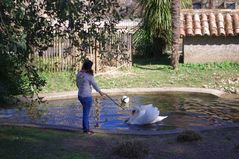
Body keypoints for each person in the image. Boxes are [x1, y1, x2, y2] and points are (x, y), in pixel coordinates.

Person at [76, 59, 104, 135]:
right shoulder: (89, 76)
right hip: (87, 97)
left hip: (80, 96)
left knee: (85, 112)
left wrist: (82, 89)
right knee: (86, 113)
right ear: (89, 67)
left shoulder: (79, 74)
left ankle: (85, 127)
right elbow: (95, 85)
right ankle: (87, 130)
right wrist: (100, 92)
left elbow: (77, 84)